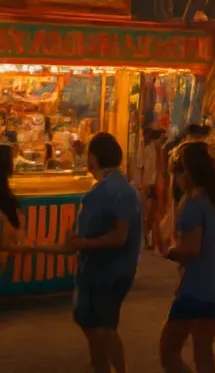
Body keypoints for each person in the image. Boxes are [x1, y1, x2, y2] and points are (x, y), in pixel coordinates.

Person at [32, 133, 142, 373]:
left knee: (102, 327)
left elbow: (118, 236)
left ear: (93, 158)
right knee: (94, 326)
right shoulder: (126, 189)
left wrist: (81, 244)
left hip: (103, 272)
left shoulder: (103, 193)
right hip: (113, 270)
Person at [160, 142, 215, 373]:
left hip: (199, 287)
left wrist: (169, 250)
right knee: (203, 351)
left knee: (169, 351)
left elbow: (192, 248)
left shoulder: (194, 204)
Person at [135, 126, 166, 251]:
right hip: (149, 184)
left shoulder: (157, 150)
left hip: (154, 183)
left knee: (154, 212)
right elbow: (142, 168)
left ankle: (154, 241)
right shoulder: (147, 150)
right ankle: (151, 241)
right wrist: (143, 185)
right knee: (151, 213)